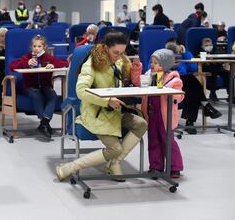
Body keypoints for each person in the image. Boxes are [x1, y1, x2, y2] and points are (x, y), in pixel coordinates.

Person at [56, 31, 146, 181]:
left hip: (115, 111)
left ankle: (114, 163)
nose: (119, 56)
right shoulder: (92, 63)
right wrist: (106, 101)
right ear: (106, 48)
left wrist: (135, 69)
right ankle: (69, 167)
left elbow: (133, 84)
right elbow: (81, 91)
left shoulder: (121, 62)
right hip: (95, 113)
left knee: (141, 124)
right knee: (115, 149)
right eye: (115, 52)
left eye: (122, 52)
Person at [10, 35, 68, 138]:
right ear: (31, 47)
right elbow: (12, 65)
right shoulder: (27, 57)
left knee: (53, 95)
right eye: (34, 46)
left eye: (39, 46)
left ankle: (44, 122)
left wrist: (53, 65)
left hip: (45, 86)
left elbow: (65, 63)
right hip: (30, 86)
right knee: (37, 95)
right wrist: (26, 63)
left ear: (44, 47)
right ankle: (44, 123)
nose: (36, 48)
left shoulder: (48, 58)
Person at [140, 49, 184, 178]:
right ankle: (155, 166)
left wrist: (173, 95)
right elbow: (140, 82)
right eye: (152, 62)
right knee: (153, 140)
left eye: (156, 63)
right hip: (152, 113)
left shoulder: (174, 79)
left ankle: (175, 167)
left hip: (166, 116)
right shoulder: (150, 76)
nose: (152, 65)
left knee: (168, 141)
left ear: (165, 65)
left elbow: (178, 96)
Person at [163, 39, 221, 135]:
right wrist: (171, 66)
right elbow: (152, 68)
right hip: (169, 80)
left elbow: (194, 68)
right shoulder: (161, 55)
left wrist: (185, 54)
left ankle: (190, 122)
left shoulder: (184, 54)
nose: (174, 48)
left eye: (175, 46)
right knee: (191, 80)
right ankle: (205, 106)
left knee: (191, 89)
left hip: (184, 83)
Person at [198, 37, 234, 103]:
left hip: (217, 67)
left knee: (227, 73)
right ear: (202, 46)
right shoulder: (200, 51)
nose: (209, 47)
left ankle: (231, 95)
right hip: (206, 68)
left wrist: (216, 61)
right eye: (206, 45)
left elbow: (220, 59)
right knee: (213, 72)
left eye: (210, 45)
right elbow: (201, 61)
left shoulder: (215, 49)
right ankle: (213, 94)